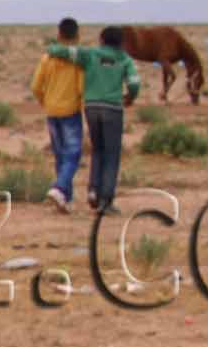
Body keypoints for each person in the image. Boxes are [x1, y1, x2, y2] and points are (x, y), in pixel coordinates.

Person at [45, 23, 141, 213]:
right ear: (121, 42)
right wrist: (129, 97)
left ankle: (93, 191)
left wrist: (51, 48)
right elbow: (134, 83)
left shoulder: (89, 55)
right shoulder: (125, 59)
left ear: (102, 40)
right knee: (111, 154)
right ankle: (106, 200)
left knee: (97, 149)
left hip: (91, 107)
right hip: (113, 108)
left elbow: (62, 52)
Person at [31, 18, 86, 213]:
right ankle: (59, 187)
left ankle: (65, 200)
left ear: (58, 35)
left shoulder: (47, 58)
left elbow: (36, 85)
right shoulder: (77, 60)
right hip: (70, 111)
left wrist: (45, 101)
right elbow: (81, 88)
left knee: (60, 154)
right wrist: (80, 105)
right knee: (72, 154)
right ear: (77, 36)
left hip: (52, 111)